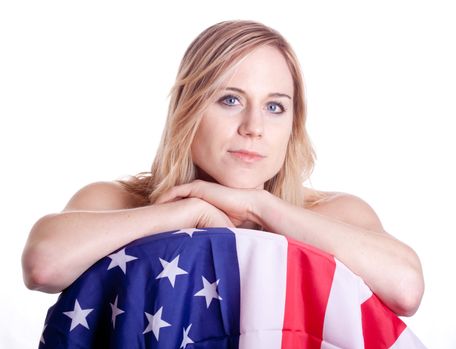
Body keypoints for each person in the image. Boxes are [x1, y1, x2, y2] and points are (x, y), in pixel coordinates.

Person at [21, 20, 424, 317]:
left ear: (292, 126)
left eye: (275, 106)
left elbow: (406, 290)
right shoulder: (117, 201)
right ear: (188, 111)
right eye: (230, 100)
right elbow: (43, 265)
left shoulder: (337, 214)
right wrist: (187, 211)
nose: (254, 127)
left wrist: (259, 206)